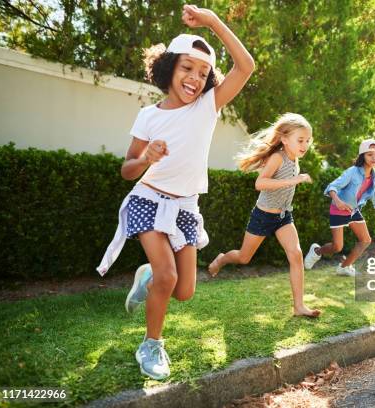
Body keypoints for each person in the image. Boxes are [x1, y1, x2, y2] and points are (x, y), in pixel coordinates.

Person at [96, 5, 254, 380]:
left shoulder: (207, 106)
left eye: (203, 73)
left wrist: (213, 21)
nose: (195, 79)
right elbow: (127, 169)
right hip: (147, 200)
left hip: (185, 207)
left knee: (183, 291)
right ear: (168, 68)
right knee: (169, 278)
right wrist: (147, 157)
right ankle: (151, 345)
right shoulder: (149, 116)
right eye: (187, 68)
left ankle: (146, 277)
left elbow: (245, 67)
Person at [208, 113, 321, 318]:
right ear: (285, 139)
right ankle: (221, 259)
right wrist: (293, 181)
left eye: (307, 140)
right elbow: (260, 183)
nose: (305, 144)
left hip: (283, 217)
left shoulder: (294, 158)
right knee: (244, 257)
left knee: (295, 255)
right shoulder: (278, 157)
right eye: (300, 140)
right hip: (263, 216)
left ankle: (299, 307)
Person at [304, 139, 375, 276]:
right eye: (370, 154)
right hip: (338, 209)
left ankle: (344, 267)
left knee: (365, 240)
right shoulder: (352, 172)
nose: (374, 158)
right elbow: (332, 187)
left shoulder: (373, 179)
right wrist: (337, 201)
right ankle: (317, 251)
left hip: (353, 211)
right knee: (337, 247)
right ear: (363, 156)